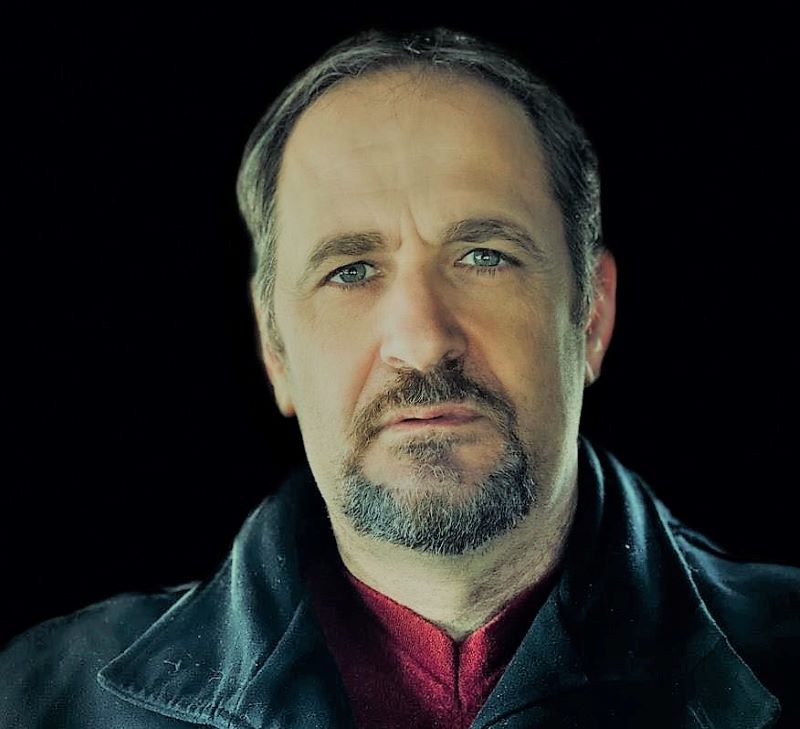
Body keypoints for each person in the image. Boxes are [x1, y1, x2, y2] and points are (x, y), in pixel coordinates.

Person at [2, 27, 798, 729]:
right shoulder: (36, 700)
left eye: (484, 256)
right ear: (275, 348)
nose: (421, 341)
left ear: (590, 314)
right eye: (350, 270)